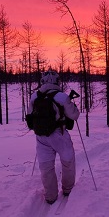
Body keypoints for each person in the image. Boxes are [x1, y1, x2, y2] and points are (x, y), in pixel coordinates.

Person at [26, 70, 80, 204]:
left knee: (46, 166)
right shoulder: (61, 96)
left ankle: (50, 196)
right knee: (67, 161)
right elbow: (74, 115)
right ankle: (67, 189)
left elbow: (29, 117)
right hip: (59, 134)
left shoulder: (34, 96)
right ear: (57, 81)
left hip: (41, 137)